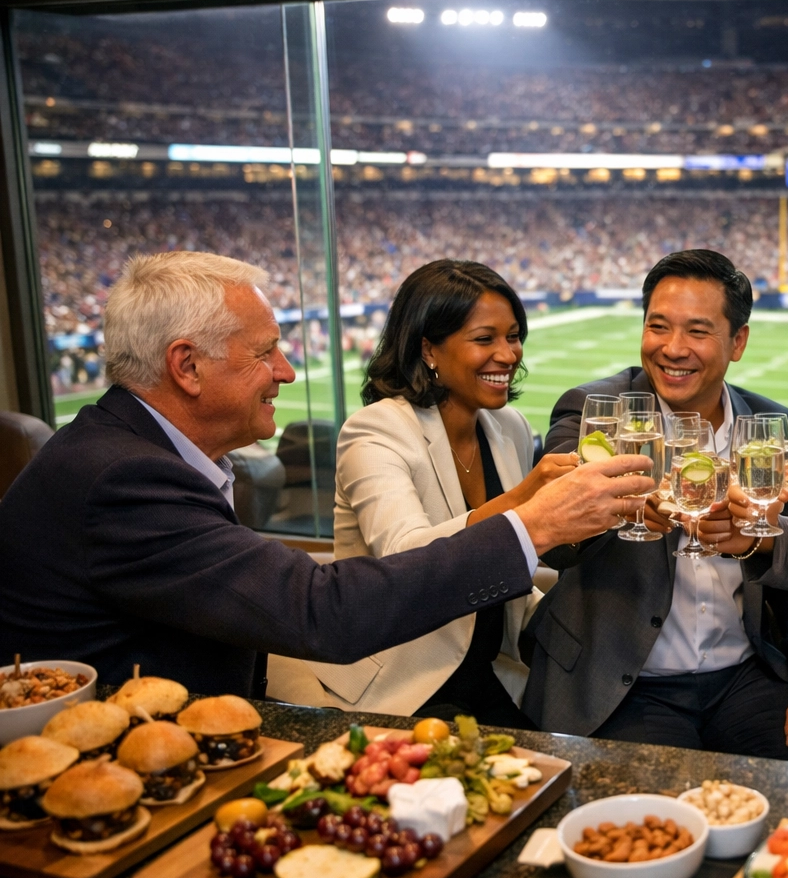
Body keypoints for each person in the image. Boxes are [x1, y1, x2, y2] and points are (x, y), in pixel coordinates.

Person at [0, 252, 651, 697]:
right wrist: (530, 519)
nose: (286, 372)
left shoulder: (138, 454)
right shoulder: (123, 479)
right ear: (187, 367)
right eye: (265, 353)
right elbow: (322, 611)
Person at [522, 250, 788, 766]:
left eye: (697, 331)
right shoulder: (594, 411)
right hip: (621, 681)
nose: (672, 349)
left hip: (742, 675)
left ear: (737, 342)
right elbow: (556, 544)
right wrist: (619, 510)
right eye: (658, 326)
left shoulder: (777, 428)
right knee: (661, 808)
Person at [268, 261, 576, 724]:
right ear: (428, 348)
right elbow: (404, 557)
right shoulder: (374, 431)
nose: (509, 355)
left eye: (513, 336)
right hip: (404, 678)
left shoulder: (508, 427)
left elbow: (515, 563)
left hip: (488, 667)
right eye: (485, 339)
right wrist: (529, 501)